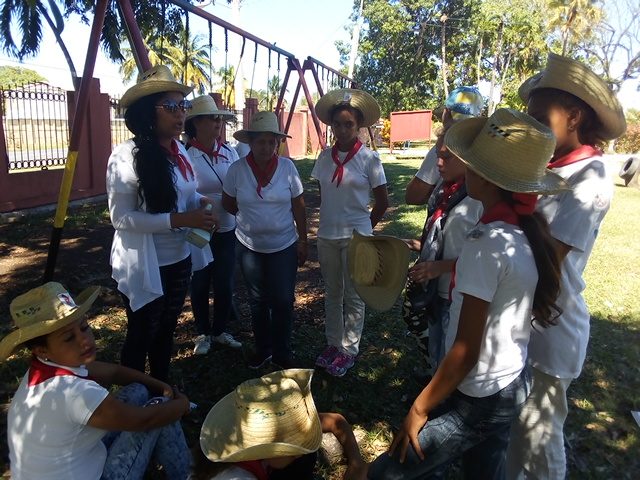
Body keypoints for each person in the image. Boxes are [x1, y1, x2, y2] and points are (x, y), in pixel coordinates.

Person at [368, 108, 568, 479]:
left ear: (489, 180)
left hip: (481, 393)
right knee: (483, 469)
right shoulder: (521, 231)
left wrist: (420, 407)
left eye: (473, 166)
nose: (466, 172)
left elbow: (465, 350)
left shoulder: (486, 242)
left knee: (388, 471)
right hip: (511, 379)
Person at [506, 53, 627, 480]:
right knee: (517, 435)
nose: (532, 127)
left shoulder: (589, 179)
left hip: (550, 327)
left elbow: (549, 257)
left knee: (539, 442)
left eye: (541, 117)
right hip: (523, 318)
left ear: (574, 116)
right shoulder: (547, 167)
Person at [2, 282, 192, 480]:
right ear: (42, 350)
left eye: (84, 327)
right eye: (69, 338)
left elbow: (114, 372)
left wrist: (161, 386)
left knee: (139, 390)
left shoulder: (45, 368)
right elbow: (143, 420)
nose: (84, 340)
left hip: (76, 462)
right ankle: (189, 474)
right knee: (161, 409)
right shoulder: (75, 392)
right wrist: (181, 404)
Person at [106, 65, 216, 382]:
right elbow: (121, 218)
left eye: (183, 106)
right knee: (142, 331)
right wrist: (181, 219)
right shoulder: (126, 156)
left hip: (179, 257)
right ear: (147, 112)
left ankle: (160, 392)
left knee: (167, 328)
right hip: (144, 262)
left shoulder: (179, 150)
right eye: (170, 106)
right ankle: (132, 401)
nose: (180, 114)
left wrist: (202, 204)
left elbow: (187, 193)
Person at [311, 88, 389, 377]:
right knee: (332, 293)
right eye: (337, 125)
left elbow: (382, 202)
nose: (342, 130)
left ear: (358, 127)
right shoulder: (323, 158)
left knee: (354, 296)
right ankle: (333, 343)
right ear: (331, 126)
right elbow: (324, 196)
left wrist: (364, 228)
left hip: (357, 238)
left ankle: (348, 350)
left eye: (349, 125)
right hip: (327, 235)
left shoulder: (369, 159)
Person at [222, 111, 307, 369]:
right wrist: (252, 220)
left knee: (282, 300)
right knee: (258, 301)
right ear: (250, 141)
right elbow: (228, 203)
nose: (267, 147)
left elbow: (299, 206)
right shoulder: (237, 169)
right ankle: (263, 350)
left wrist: (303, 240)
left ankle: (282, 352)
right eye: (261, 141)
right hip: (249, 247)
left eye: (272, 142)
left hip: (283, 246)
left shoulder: (287, 167)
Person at [402, 120, 483, 380]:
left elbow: (484, 258)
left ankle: (440, 396)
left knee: (451, 350)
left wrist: (441, 266)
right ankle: (432, 376)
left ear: (468, 158)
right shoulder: (444, 190)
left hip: (457, 291)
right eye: (438, 156)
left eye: (447, 157)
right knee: (435, 342)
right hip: (435, 288)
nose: (439, 164)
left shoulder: (479, 199)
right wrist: (422, 247)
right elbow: (446, 234)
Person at [194, 369, 367, 479]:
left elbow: (336, 421)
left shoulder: (247, 429)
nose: (298, 454)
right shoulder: (237, 477)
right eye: (291, 449)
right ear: (265, 445)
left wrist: (356, 463)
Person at [185, 94, 243, 355]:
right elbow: (183, 194)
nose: (218, 123)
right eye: (212, 118)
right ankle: (202, 333)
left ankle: (219, 330)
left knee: (224, 281)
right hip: (199, 229)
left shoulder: (230, 152)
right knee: (199, 281)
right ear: (196, 123)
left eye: (219, 118)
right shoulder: (186, 156)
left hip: (228, 227)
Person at [405, 86, 483, 205]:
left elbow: (413, 196)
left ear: (446, 113)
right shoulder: (486, 147)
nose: (440, 162)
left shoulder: (444, 148)